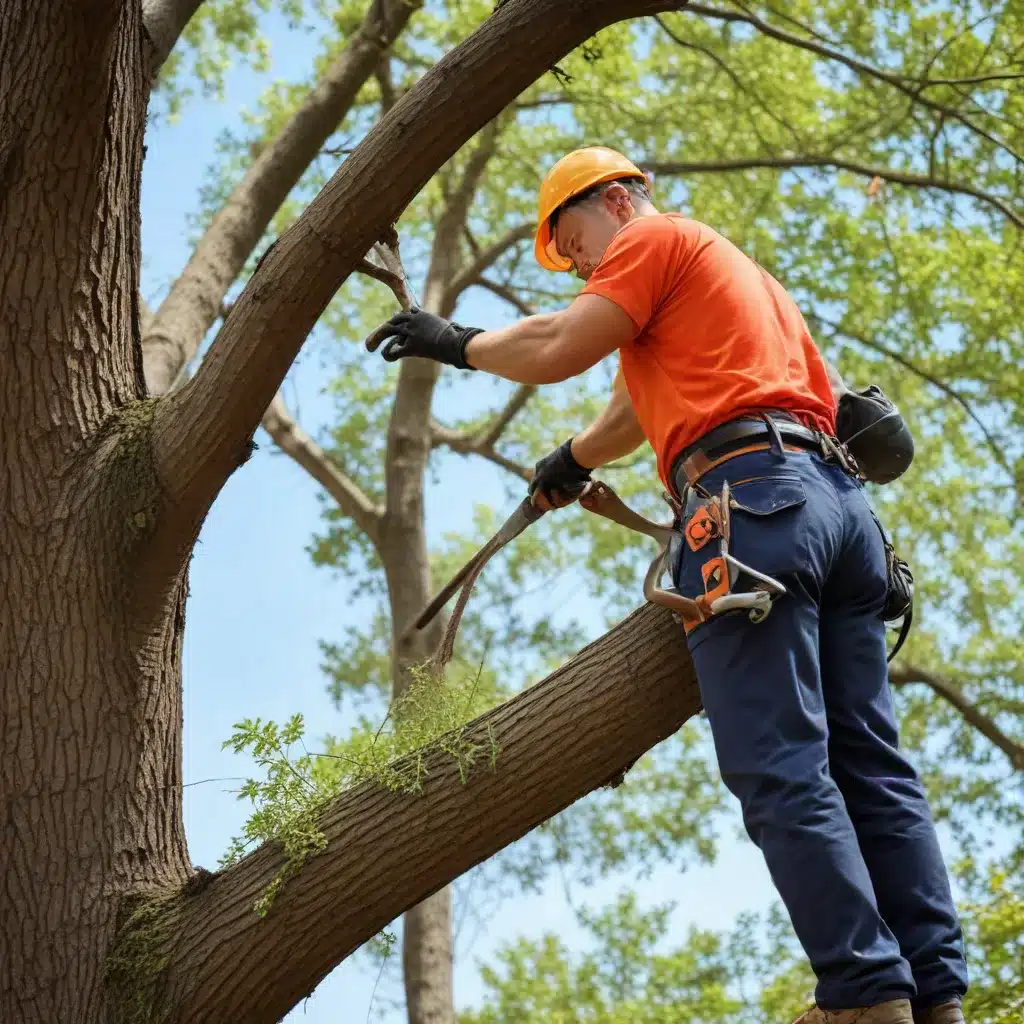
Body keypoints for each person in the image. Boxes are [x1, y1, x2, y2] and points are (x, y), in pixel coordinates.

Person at [365, 146, 969, 1024]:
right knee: (871, 766)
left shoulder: (653, 241)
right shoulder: (734, 276)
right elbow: (629, 408)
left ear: (617, 199)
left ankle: (866, 993)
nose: (579, 266)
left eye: (576, 244)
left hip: (753, 507)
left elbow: (562, 343)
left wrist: (454, 341)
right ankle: (936, 995)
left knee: (781, 765)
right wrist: (571, 461)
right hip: (837, 516)